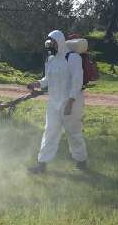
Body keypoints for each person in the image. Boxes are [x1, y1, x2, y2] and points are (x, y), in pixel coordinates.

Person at [27, 30, 88, 174]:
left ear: (59, 42)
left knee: (73, 132)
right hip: (54, 102)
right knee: (50, 131)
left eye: (52, 42)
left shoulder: (73, 58)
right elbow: (47, 80)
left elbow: (77, 81)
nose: (50, 45)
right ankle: (42, 164)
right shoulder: (51, 60)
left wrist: (70, 102)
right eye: (49, 43)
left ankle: (81, 160)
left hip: (72, 102)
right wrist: (37, 83)